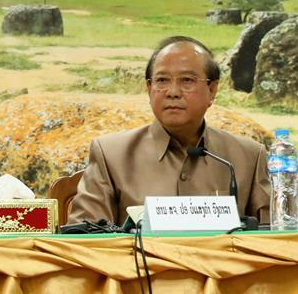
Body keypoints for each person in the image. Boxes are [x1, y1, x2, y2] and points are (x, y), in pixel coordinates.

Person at [69, 36, 270, 226]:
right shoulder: (111, 155)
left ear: (212, 90)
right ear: (149, 88)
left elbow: (272, 237)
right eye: (162, 80)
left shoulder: (248, 157)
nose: (173, 92)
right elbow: (84, 237)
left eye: (187, 80)